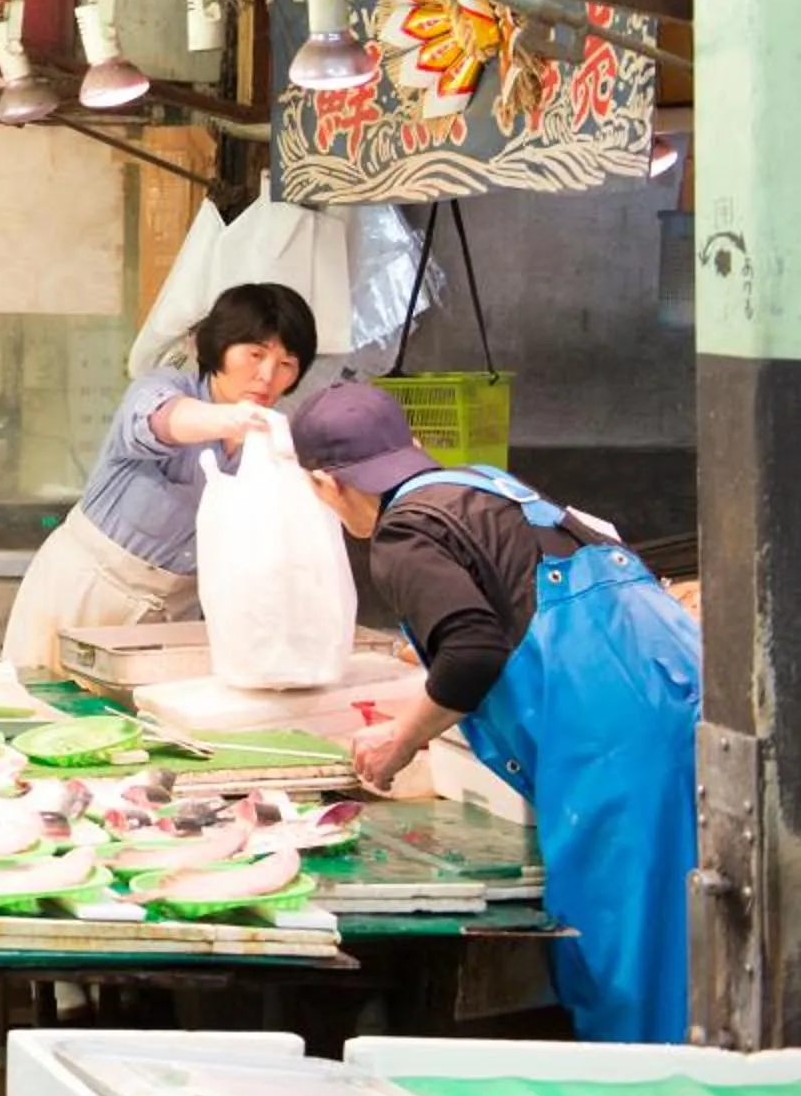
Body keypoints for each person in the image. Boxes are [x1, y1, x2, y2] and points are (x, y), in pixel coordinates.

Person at [290, 383, 698, 1044]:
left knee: (630, 963)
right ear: (412, 447)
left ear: (324, 485)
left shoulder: (403, 530)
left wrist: (401, 740)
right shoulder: (491, 487)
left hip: (616, 747)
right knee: (696, 941)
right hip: (685, 706)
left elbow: (473, 653)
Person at [0, 282, 317, 675]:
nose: (267, 376)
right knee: (45, 716)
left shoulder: (272, 444)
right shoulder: (162, 387)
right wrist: (231, 419)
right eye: (255, 354)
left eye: (286, 364)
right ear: (217, 347)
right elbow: (163, 420)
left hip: (177, 616)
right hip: (86, 591)